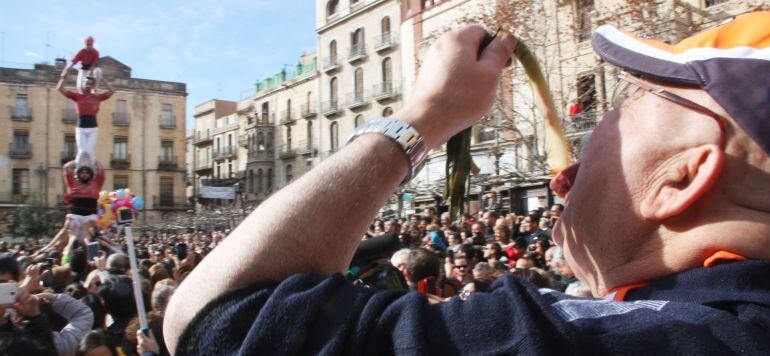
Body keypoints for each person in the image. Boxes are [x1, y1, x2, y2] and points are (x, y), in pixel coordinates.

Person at [166, 14, 770, 355]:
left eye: (623, 104)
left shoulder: (660, 338)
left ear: (681, 176)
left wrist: (422, 118)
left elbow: (221, 323)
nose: (566, 176)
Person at [57, 75, 115, 170]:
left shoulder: (97, 97)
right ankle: (78, 172)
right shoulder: (77, 96)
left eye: (90, 84)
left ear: (93, 86)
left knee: (89, 151)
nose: (88, 85)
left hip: (93, 128)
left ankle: (92, 171)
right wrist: (63, 76)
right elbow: (60, 88)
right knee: (81, 151)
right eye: (86, 83)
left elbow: (112, 91)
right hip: (81, 128)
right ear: (83, 84)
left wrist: (102, 79)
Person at [62, 161, 105, 243]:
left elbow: (101, 170)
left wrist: (93, 160)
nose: (84, 174)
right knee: (70, 234)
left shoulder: (96, 184)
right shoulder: (72, 183)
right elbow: (66, 168)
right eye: (82, 173)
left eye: (86, 173)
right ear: (78, 174)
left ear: (90, 174)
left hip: (90, 216)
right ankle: (69, 248)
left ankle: (90, 247)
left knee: (89, 235)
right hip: (75, 215)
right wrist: (78, 160)